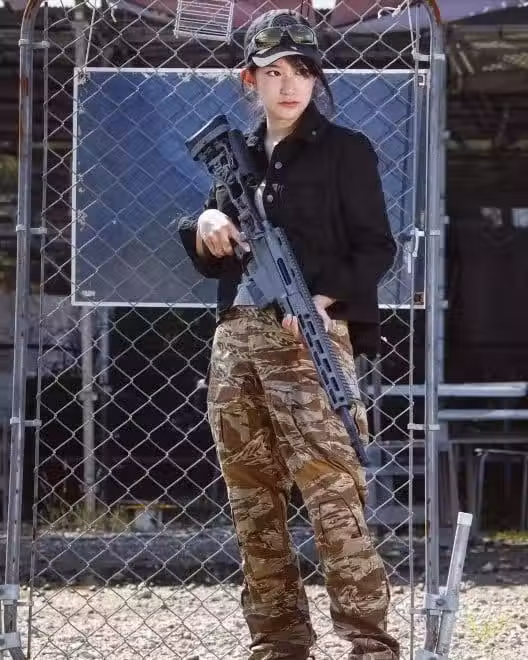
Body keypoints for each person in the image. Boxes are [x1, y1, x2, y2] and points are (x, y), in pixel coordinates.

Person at [178, 9, 400, 660]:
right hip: (237, 340)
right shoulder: (237, 153)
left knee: (334, 496)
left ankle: (369, 645)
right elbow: (216, 252)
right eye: (273, 72)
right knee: (253, 502)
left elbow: (376, 247)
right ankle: (277, 643)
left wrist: (323, 300)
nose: (289, 85)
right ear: (249, 80)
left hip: (310, 339)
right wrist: (205, 221)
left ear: (316, 79)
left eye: (301, 71)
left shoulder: (344, 150)